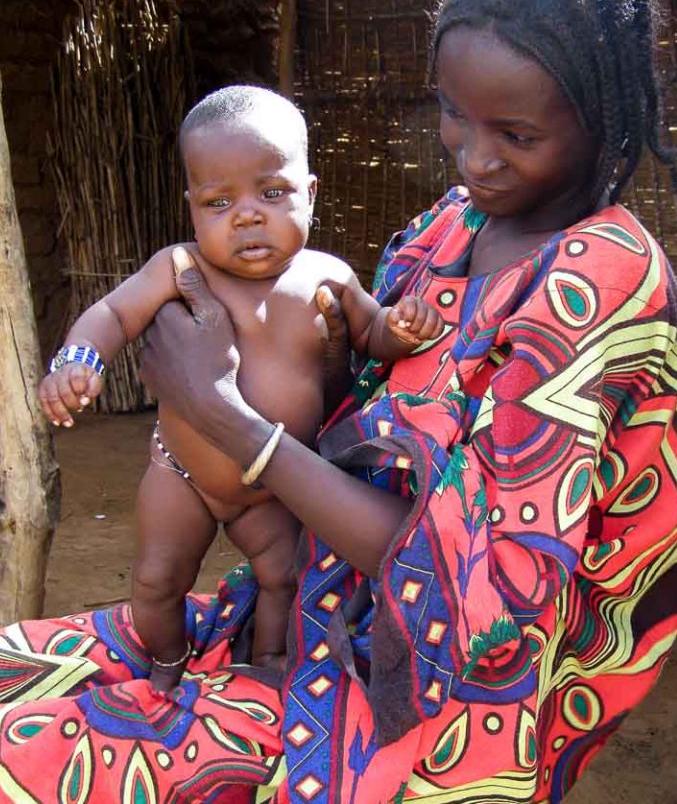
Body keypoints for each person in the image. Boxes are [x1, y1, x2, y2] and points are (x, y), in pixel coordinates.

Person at [0, 0, 677, 804]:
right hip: (308, 600)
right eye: (454, 114)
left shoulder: (603, 285)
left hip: (427, 715)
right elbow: (353, 390)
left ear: (604, 112)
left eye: (515, 131)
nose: (474, 156)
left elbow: (477, 601)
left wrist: (222, 415)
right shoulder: (453, 228)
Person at [37, 84, 443, 686]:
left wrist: (401, 329)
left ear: (310, 194)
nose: (247, 215)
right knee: (156, 580)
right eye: (218, 202)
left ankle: (266, 665)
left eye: (271, 193)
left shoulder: (327, 276)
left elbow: (370, 334)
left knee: (283, 577)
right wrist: (77, 360)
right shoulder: (181, 267)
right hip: (183, 475)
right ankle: (166, 664)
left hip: (275, 486)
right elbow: (115, 314)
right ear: (192, 208)